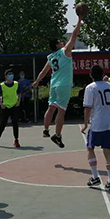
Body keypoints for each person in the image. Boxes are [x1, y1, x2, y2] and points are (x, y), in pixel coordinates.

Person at [32, 13, 84, 148]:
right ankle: (58, 135)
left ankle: (45, 130)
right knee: (61, 111)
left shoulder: (50, 57)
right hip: (64, 85)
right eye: (60, 41)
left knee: (51, 108)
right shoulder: (65, 51)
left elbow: (44, 72)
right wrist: (79, 20)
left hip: (53, 85)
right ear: (57, 45)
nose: (62, 42)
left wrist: (37, 82)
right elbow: (74, 35)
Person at [81, 64, 110, 190]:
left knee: (90, 148)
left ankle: (95, 176)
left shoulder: (90, 87)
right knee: (108, 151)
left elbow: (87, 107)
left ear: (90, 75)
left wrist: (85, 124)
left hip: (98, 123)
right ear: (103, 74)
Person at [0, 69, 21, 148]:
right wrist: (1, 104)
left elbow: (19, 93)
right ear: (6, 76)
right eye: (9, 74)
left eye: (12, 74)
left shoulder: (16, 84)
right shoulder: (2, 85)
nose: (11, 76)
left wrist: (18, 101)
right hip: (5, 107)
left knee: (15, 123)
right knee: (2, 124)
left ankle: (16, 140)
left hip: (14, 106)